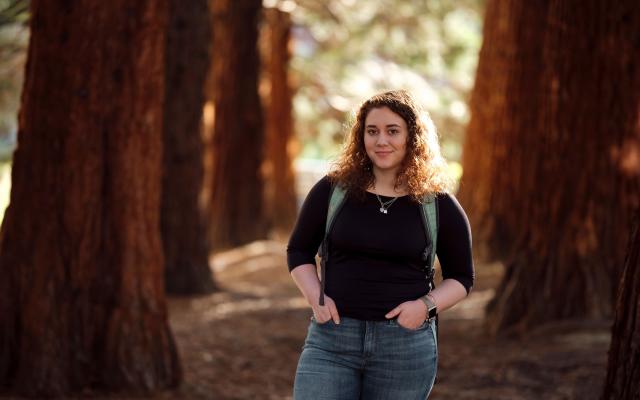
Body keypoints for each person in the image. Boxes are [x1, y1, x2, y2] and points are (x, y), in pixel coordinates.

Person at [287, 89, 474, 400]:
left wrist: (424, 307)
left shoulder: (438, 203)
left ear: (412, 137)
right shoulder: (333, 190)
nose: (381, 141)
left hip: (404, 345)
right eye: (372, 131)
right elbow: (298, 251)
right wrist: (314, 295)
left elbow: (462, 278)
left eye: (392, 131)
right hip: (333, 338)